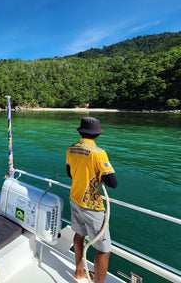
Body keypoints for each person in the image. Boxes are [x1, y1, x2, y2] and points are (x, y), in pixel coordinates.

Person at [66, 117, 118, 283]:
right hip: (92, 204)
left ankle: (80, 271)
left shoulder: (71, 149)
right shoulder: (98, 153)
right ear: (96, 134)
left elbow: (69, 173)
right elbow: (113, 183)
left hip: (75, 198)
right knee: (104, 250)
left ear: (81, 131)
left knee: (79, 234)